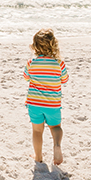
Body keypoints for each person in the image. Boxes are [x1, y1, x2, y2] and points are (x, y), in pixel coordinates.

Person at [23, 29, 69, 165]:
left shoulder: (31, 63)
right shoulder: (59, 63)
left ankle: (38, 157)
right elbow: (64, 79)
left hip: (34, 104)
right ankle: (57, 145)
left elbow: (26, 77)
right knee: (55, 127)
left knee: (37, 131)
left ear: (35, 46)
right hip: (52, 104)